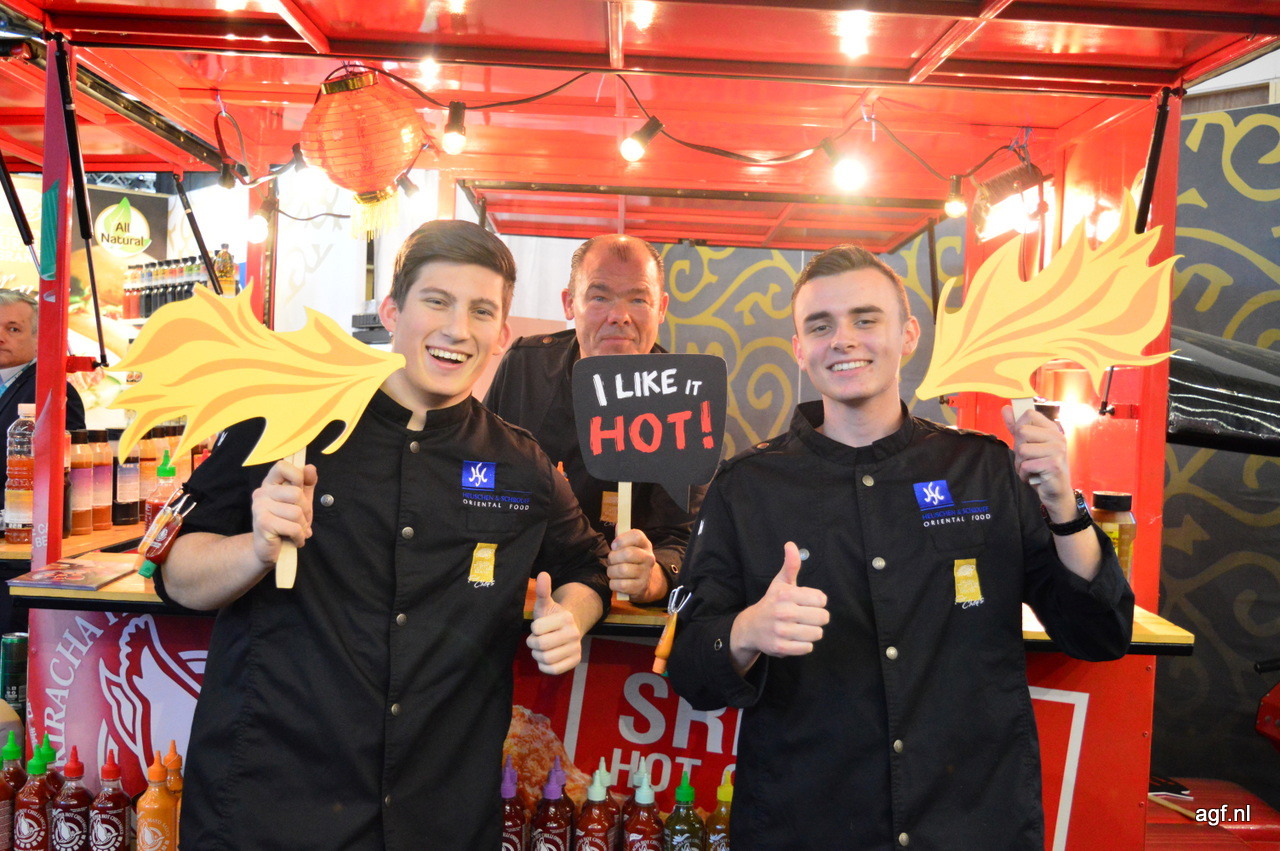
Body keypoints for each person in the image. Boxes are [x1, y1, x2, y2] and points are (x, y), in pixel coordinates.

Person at [157, 220, 611, 850]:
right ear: (392, 311)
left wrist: (571, 617)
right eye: (437, 301)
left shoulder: (521, 464)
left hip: (438, 811)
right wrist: (256, 548)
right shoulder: (287, 425)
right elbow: (176, 572)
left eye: (481, 311)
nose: (458, 329)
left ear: (501, 334)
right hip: (272, 802)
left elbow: (589, 567)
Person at [666, 246, 1134, 849]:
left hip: (973, 821)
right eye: (820, 326)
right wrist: (747, 631)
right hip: (805, 823)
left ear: (908, 335)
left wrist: (1065, 508)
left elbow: (1099, 635)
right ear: (799, 349)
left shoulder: (985, 469)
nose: (843, 339)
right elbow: (690, 671)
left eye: (865, 319)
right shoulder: (746, 486)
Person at [484, 234, 703, 604]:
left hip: (622, 611)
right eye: (600, 297)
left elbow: (683, 538)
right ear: (570, 303)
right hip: (523, 593)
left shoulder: (682, 399)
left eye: (638, 299)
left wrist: (652, 577)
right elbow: (482, 477)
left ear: (661, 308)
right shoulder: (525, 366)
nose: (620, 316)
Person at [0, 287, 86, 511]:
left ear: (38, 338)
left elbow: (63, 476)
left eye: (13, 329)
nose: (0, 337)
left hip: (20, 518)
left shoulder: (52, 393)